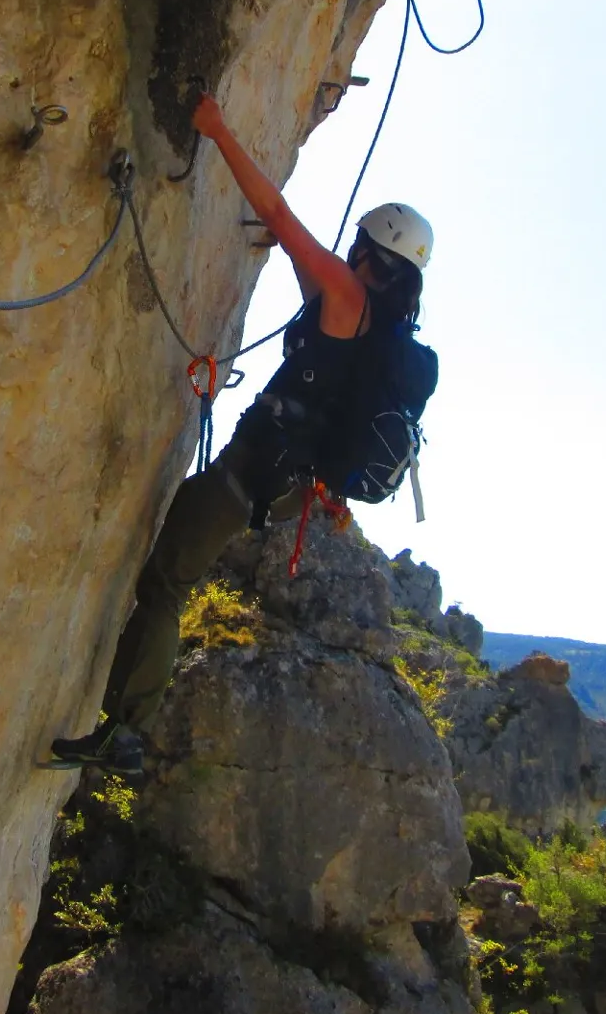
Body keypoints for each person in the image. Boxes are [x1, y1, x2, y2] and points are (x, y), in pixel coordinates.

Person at [49, 92, 433, 773]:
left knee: (167, 579)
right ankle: (125, 722)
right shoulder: (376, 325)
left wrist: (219, 130)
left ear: (369, 252)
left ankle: (124, 732)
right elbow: (296, 259)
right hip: (284, 482)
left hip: (254, 473)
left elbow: (285, 218)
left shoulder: (345, 295)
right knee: (176, 558)